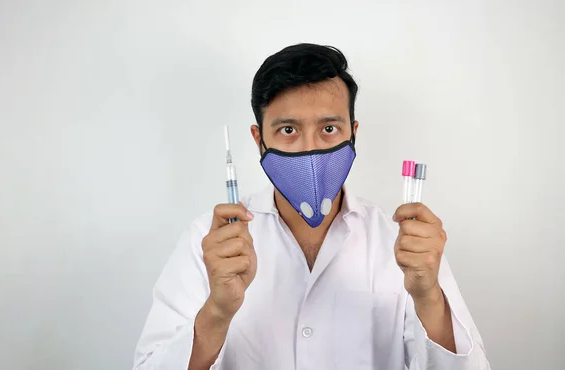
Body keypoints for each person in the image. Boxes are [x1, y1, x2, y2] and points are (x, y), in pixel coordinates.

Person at [132, 43, 491, 370]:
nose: (309, 150)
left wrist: (428, 296)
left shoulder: (404, 245)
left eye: (329, 129)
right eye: (288, 130)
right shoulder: (209, 244)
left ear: (353, 132)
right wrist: (217, 312)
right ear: (259, 140)